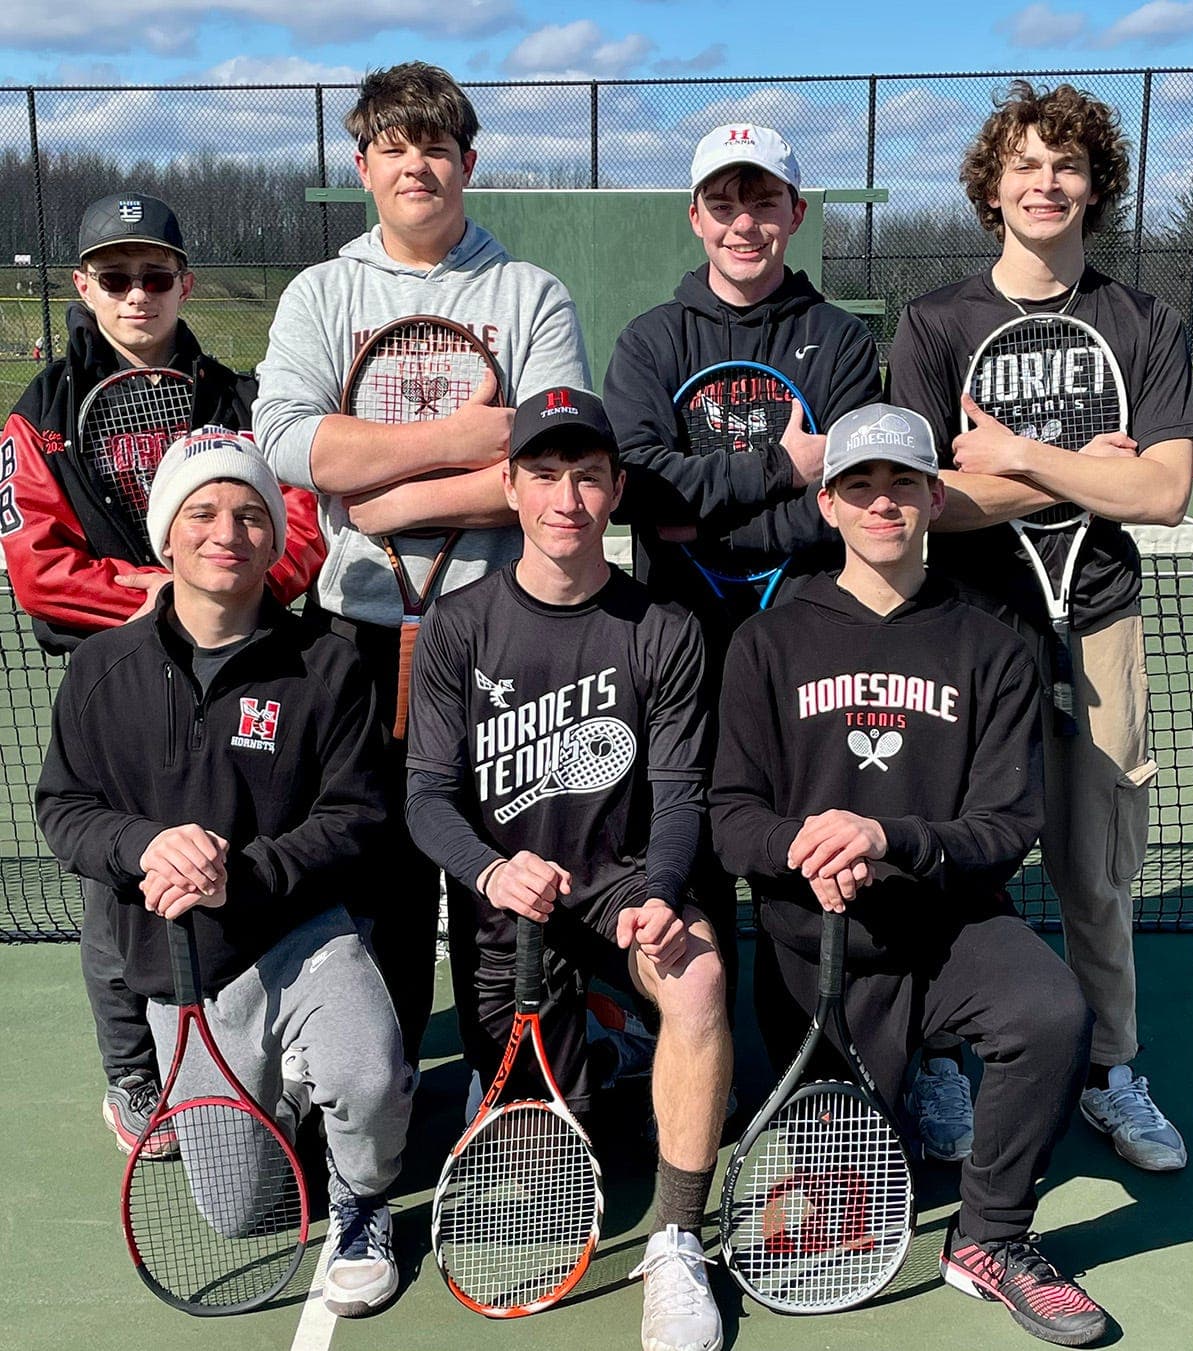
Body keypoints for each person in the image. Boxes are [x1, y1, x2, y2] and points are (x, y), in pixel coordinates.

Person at [711, 403, 1108, 1347]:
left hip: (949, 927)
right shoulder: (767, 643)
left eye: (902, 483)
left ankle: (990, 1236)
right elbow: (732, 819)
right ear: (829, 504)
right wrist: (806, 851)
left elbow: (1007, 826)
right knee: (838, 1194)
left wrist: (888, 837)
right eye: (860, 485)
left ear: (935, 497)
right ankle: (867, 1141)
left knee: (1050, 1012)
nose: (881, 502)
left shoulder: (993, 643)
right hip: (821, 949)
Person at [886, 80, 1193, 1171]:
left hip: (1103, 623)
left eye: (1067, 164)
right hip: (968, 633)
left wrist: (1015, 455)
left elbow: (1164, 493)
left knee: (1098, 872)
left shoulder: (1146, 322)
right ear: (992, 187)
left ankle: (1112, 1070)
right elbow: (922, 499)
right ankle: (938, 1057)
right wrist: (1081, 471)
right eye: (1025, 164)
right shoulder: (934, 324)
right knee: (951, 862)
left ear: (1097, 186)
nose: (1046, 182)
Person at [254, 62, 590, 1070]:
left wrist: (390, 498)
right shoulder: (323, 292)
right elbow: (289, 443)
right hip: (356, 634)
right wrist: (457, 440)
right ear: (362, 167)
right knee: (380, 881)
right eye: (393, 148)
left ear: (467, 164)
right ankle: (386, 1092)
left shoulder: (529, 294)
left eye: (436, 148)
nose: (416, 167)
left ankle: (512, 1089)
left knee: (502, 875)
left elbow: (550, 472)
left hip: (502, 633)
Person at [36, 431, 410, 1318]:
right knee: (240, 1212)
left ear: (275, 538)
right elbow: (64, 808)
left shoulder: (326, 664)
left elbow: (357, 817)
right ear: (167, 536)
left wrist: (241, 875)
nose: (226, 532)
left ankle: (363, 1199)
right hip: (187, 971)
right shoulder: (99, 670)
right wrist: (143, 846)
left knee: (369, 1074)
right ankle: (283, 1100)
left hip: (303, 938)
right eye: (201, 512)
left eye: (249, 515)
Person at [405, 388, 732, 1351]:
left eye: (588, 476)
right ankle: (593, 1056)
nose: (567, 498)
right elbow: (426, 797)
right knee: (543, 1184)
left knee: (700, 978)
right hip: (510, 909)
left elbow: (681, 796)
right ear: (509, 486)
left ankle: (677, 1239)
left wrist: (663, 894)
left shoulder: (663, 627)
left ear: (617, 489)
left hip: (625, 882)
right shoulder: (457, 626)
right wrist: (489, 871)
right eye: (544, 474)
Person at [0, 191, 324, 1156]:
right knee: (120, 881)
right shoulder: (38, 414)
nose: (136, 294)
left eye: (154, 275)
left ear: (184, 282)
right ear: (83, 286)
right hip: (118, 678)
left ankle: (273, 1047)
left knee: (250, 849)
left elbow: (302, 527)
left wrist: (226, 593)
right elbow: (38, 567)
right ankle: (134, 1079)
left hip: (247, 664)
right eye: (116, 277)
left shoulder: (241, 398)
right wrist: (156, 597)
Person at [602, 123, 885, 1064]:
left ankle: (822, 1061)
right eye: (723, 204)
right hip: (676, 650)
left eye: (763, 202)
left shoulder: (840, 341)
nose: (743, 223)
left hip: (807, 647)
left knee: (805, 863)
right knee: (687, 862)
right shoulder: (652, 340)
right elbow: (643, 494)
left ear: (795, 213)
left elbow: (843, 507)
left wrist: (706, 516)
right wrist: (778, 469)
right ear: (696, 217)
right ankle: (702, 1066)